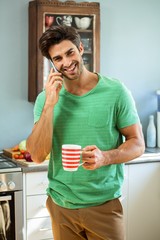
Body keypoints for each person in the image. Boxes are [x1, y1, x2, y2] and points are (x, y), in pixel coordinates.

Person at [26, 25, 145, 240]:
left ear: (80, 48)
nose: (66, 62)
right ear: (52, 63)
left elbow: (137, 143)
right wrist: (50, 104)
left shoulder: (116, 91)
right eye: (58, 58)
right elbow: (36, 155)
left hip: (104, 206)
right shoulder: (46, 98)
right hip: (61, 207)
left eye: (70, 52)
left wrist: (105, 157)